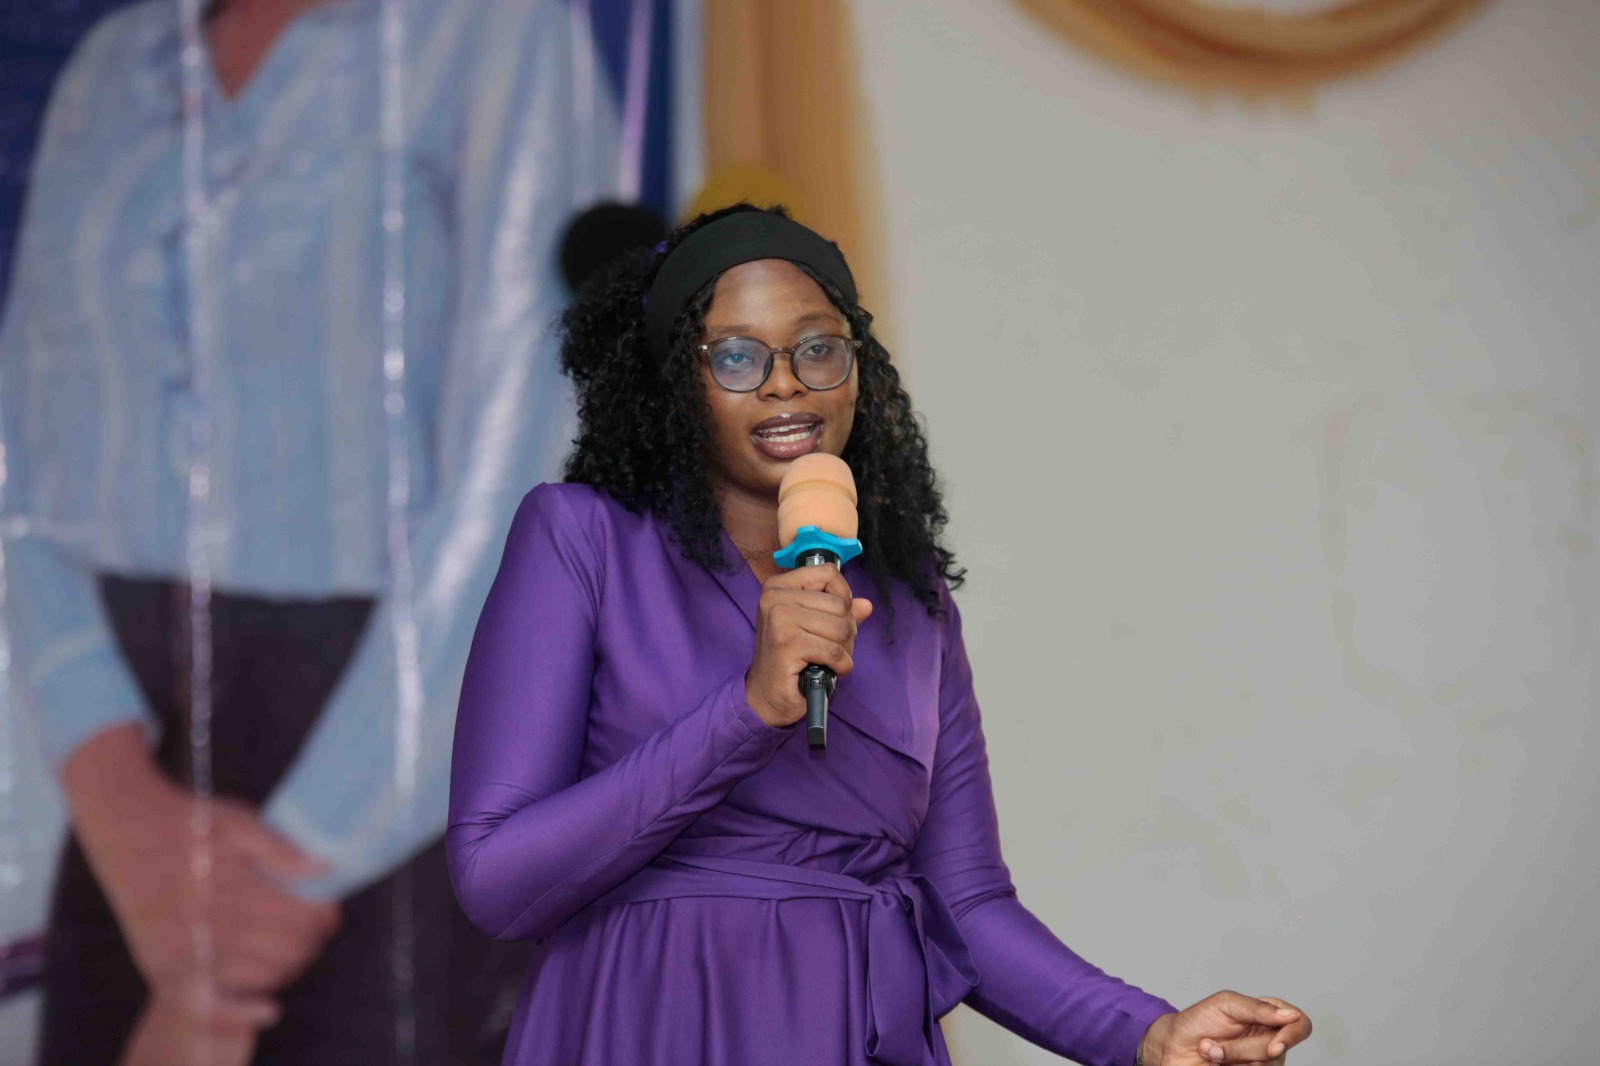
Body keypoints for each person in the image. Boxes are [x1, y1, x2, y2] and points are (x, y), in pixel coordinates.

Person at [446, 204, 1315, 1066]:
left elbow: (966, 902)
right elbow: (496, 881)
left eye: (817, 348)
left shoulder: (911, 601)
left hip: (848, 1035)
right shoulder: (585, 538)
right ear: (677, 381)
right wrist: (746, 712)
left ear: (858, 370)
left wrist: (1144, 1033)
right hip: (646, 1023)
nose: (786, 384)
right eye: (737, 356)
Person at [0, 0, 623, 1061]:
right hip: (133, 810)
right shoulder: (114, 64)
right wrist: (124, 815)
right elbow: (23, 451)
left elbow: (536, 475)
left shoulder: (490, 33)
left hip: (407, 792)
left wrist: (287, 873)